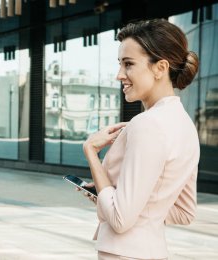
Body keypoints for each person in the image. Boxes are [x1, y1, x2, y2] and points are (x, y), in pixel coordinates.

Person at [82, 19, 200, 260]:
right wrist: (107, 194)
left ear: (160, 67)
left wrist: (91, 152)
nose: (119, 75)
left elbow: (120, 219)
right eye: (119, 64)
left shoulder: (147, 124)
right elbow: (184, 211)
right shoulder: (185, 125)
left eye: (128, 64)